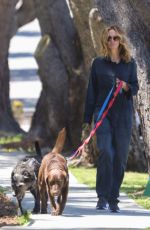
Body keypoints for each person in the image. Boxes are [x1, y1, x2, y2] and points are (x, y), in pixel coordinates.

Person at [83, 25, 139, 212]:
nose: (112, 41)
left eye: (115, 38)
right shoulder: (98, 63)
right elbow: (91, 91)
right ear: (104, 41)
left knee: (120, 158)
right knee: (106, 152)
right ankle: (102, 197)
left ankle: (113, 198)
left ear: (121, 40)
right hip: (102, 113)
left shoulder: (130, 64)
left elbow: (135, 87)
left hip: (123, 115)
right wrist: (86, 119)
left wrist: (125, 87)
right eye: (109, 38)